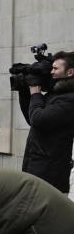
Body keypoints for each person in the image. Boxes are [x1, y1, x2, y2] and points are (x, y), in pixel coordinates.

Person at [18, 50, 74, 192]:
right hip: (36, 164)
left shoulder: (69, 99)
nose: (51, 72)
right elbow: (32, 118)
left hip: (50, 172)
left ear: (70, 72)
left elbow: (38, 119)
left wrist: (36, 93)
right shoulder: (55, 94)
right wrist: (24, 91)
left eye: (55, 68)